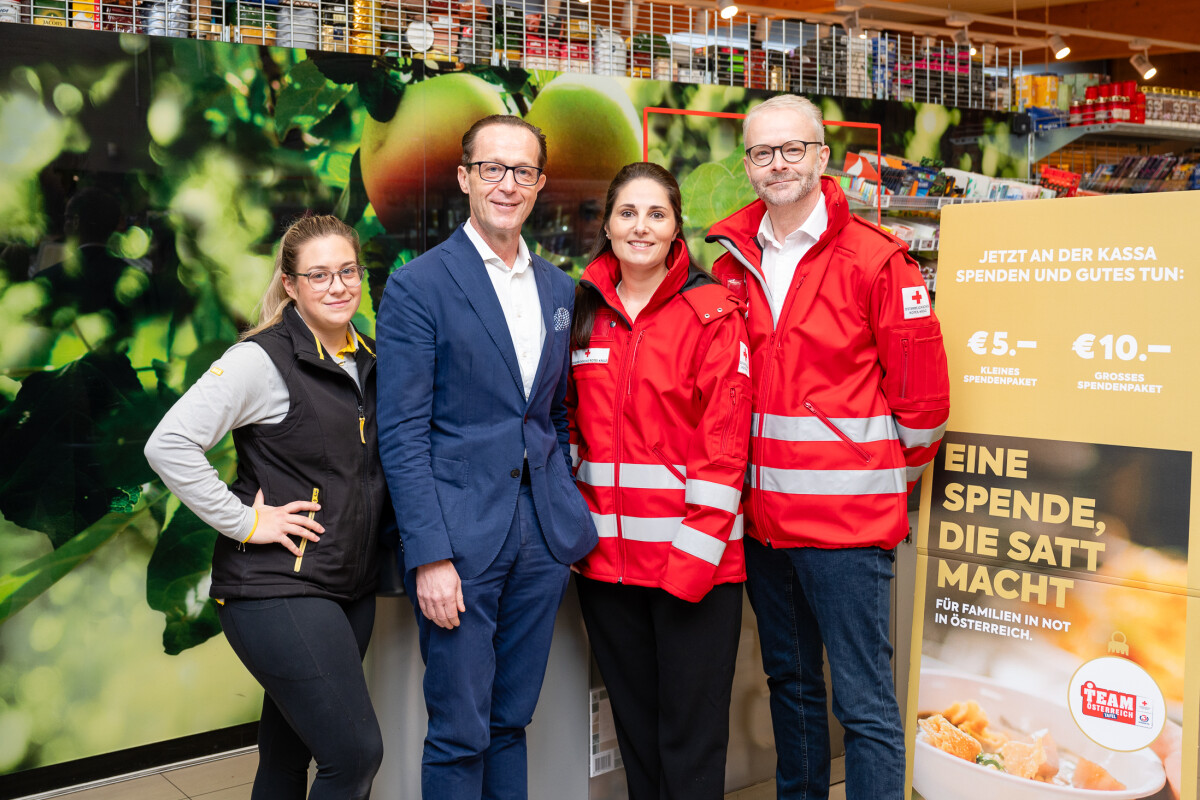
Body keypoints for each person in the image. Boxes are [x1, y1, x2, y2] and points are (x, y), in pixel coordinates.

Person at [706, 94, 950, 799]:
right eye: (761, 152)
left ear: (820, 155)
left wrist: (872, 475)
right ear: (747, 163)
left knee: (864, 704)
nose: (776, 165)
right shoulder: (728, 260)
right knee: (791, 686)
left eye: (792, 150)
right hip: (763, 523)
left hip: (847, 525)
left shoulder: (877, 260)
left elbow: (923, 405)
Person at [375, 114, 597, 800]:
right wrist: (429, 555)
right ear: (467, 177)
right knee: (460, 730)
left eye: (523, 171)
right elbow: (402, 434)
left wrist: (559, 503)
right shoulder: (419, 286)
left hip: (540, 538)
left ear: (538, 186)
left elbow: (553, 413)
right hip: (460, 540)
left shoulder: (561, 291)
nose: (508, 184)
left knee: (510, 723)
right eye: (493, 169)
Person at [144, 214, 388, 800]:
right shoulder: (262, 359)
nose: (338, 286)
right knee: (355, 756)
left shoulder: (367, 357)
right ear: (290, 283)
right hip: (275, 589)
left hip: (344, 587)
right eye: (319, 274)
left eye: (348, 271)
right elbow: (168, 445)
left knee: (288, 754)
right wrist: (247, 520)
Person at [568, 162, 751, 800]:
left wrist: (693, 561)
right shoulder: (581, 309)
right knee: (637, 734)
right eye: (627, 213)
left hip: (690, 567)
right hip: (606, 568)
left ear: (677, 228)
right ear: (608, 225)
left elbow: (725, 445)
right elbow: (567, 427)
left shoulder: (713, 313)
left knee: (690, 741)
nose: (640, 227)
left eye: (657, 214)